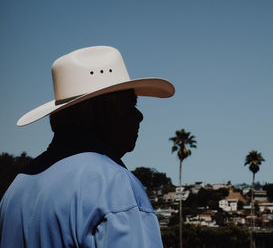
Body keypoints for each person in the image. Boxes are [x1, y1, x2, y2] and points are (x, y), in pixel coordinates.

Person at [0, 46, 175, 247]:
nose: (139, 115)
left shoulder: (16, 190)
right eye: (130, 104)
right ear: (98, 111)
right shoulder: (113, 185)